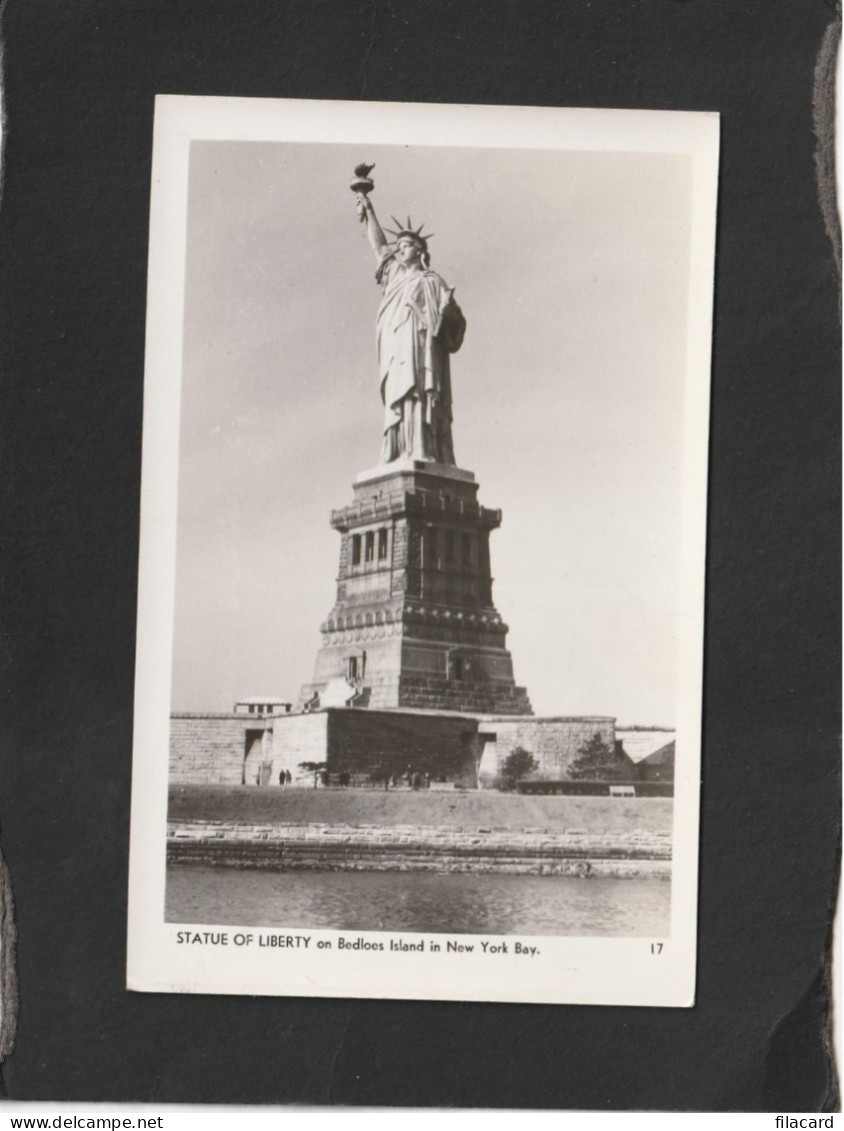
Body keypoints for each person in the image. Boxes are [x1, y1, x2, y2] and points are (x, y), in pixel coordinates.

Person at [356, 194, 466, 465]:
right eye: (400, 245)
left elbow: (455, 322)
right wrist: (369, 210)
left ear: (419, 250)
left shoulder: (433, 281)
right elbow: (380, 247)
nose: (400, 249)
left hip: (423, 350)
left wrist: (448, 314)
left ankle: (422, 447)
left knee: (419, 392)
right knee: (399, 394)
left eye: (405, 246)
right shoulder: (393, 274)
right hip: (397, 348)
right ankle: (398, 450)